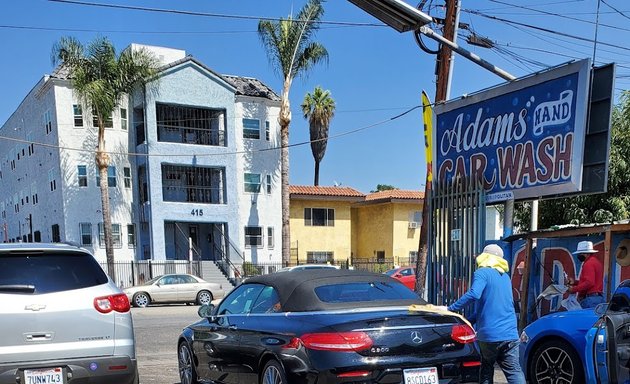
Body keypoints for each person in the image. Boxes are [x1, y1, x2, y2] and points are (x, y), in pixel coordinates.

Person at [447, 244, 525, 384]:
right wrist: (467, 320)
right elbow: (490, 307)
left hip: (490, 335)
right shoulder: (505, 277)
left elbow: (474, 294)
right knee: (514, 371)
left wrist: (451, 309)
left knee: (487, 369)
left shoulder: (482, 272)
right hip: (511, 334)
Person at [567, 240, 604, 309]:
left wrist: (574, 289)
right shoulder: (595, 262)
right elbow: (590, 281)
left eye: (580, 253)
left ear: (587, 254)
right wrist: (575, 282)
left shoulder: (588, 264)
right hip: (597, 298)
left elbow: (589, 283)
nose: (579, 256)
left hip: (591, 299)